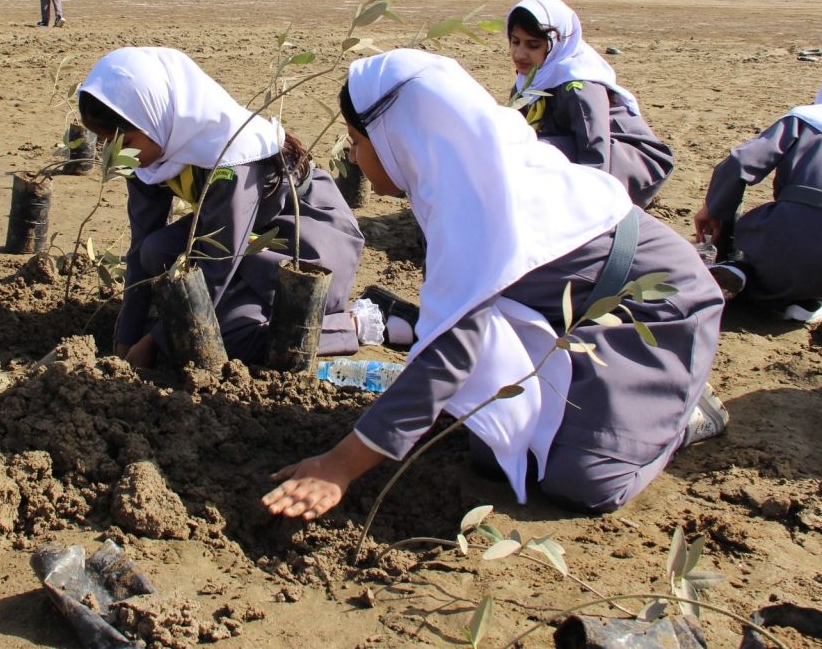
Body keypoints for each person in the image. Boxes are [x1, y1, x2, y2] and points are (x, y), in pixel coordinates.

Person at [263, 49, 726, 521]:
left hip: (656, 313)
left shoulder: (477, 199)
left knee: (585, 481)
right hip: (574, 317)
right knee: (495, 448)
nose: (354, 157)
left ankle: (683, 415)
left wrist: (338, 466)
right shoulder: (457, 176)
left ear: (399, 138)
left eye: (357, 141)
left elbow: (449, 355)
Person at [77, 47, 366, 367]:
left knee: (226, 338)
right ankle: (237, 304)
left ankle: (356, 324)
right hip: (243, 237)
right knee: (155, 251)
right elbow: (141, 244)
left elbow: (218, 262)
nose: (114, 153)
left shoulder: (231, 156)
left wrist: (155, 340)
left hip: (302, 239)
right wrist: (125, 338)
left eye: (124, 141)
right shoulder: (148, 157)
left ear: (154, 117)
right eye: (105, 142)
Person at [695, 65, 822, 324]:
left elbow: (737, 165)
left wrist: (714, 212)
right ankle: (814, 301)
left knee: (763, 246)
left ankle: (735, 267)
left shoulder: (808, 119)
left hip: (777, 231)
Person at [507, 0, 674, 207]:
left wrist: (589, 206)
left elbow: (595, 150)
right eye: (515, 42)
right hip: (577, 153)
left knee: (540, 151)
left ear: (557, 44)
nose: (519, 54)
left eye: (533, 45)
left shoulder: (578, 86)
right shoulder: (529, 82)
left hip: (627, 160)